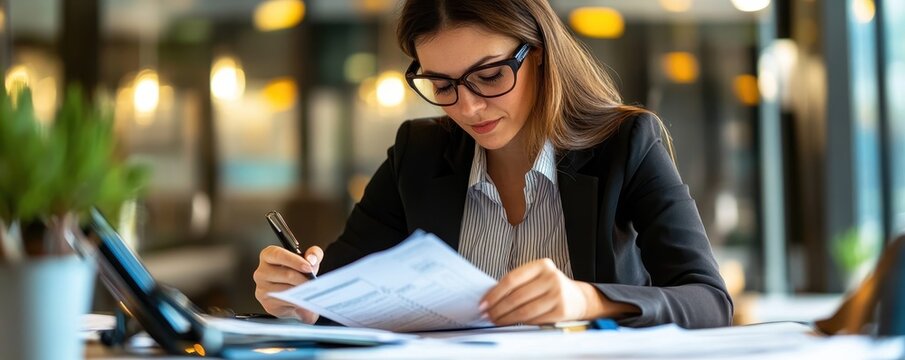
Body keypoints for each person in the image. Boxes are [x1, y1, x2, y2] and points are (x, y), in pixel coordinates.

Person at [253, 0, 733, 329]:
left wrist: (588, 300)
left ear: (538, 54)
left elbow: (709, 301)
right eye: (443, 86)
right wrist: (301, 299)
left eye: (489, 76)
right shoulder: (417, 155)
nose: (468, 107)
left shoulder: (626, 144)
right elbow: (341, 293)